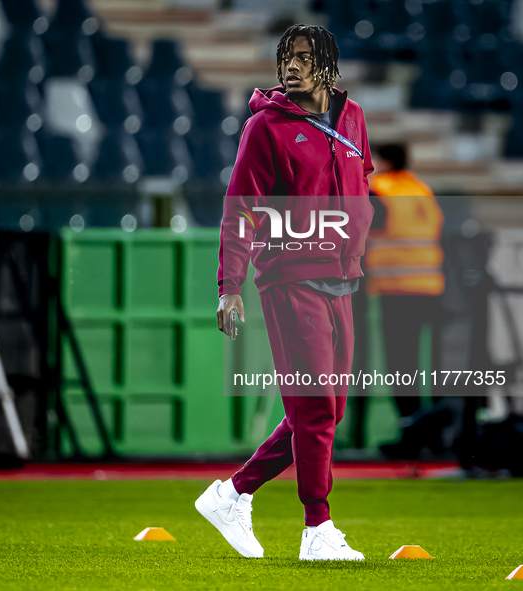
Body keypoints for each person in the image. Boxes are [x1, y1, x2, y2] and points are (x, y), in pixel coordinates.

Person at [195, 24, 374, 560]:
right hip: (289, 279)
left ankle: (233, 493)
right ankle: (317, 529)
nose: (291, 67)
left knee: (321, 411)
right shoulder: (265, 128)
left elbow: (362, 176)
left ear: (327, 65)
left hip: (343, 279)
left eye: (302, 58)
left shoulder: (354, 118)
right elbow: (239, 210)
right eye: (285, 59)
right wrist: (231, 286)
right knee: (316, 406)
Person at [365, 143, 445, 458]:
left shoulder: (377, 189)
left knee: (402, 366)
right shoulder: (421, 189)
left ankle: (411, 436)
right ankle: (435, 436)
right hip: (431, 286)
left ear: (384, 161)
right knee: (432, 365)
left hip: (396, 288)